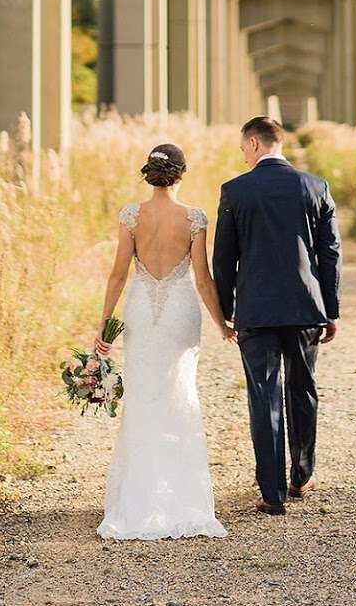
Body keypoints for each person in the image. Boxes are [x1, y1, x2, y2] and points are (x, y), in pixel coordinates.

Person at [94, 141, 233, 540]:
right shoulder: (194, 218)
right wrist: (222, 323)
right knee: (179, 393)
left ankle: (138, 498)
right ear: (181, 174)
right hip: (180, 310)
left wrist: (104, 324)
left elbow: (118, 275)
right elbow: (203, 279)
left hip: (140, 307)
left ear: (149, 173)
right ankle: (180, 496)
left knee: (142, 395)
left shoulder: (131, 216)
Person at [212, 115, 342, 516]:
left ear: (253, 144)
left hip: (256, 310)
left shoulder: (235, 191)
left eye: (241, 147)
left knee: (263, 395)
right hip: (305, 308)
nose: (242, 154)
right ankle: (302, 475)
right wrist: (331, 309)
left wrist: (226, 310)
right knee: (302, 388)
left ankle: (271, 492)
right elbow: (330, 253)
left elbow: (224, 258)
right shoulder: (316, 187)